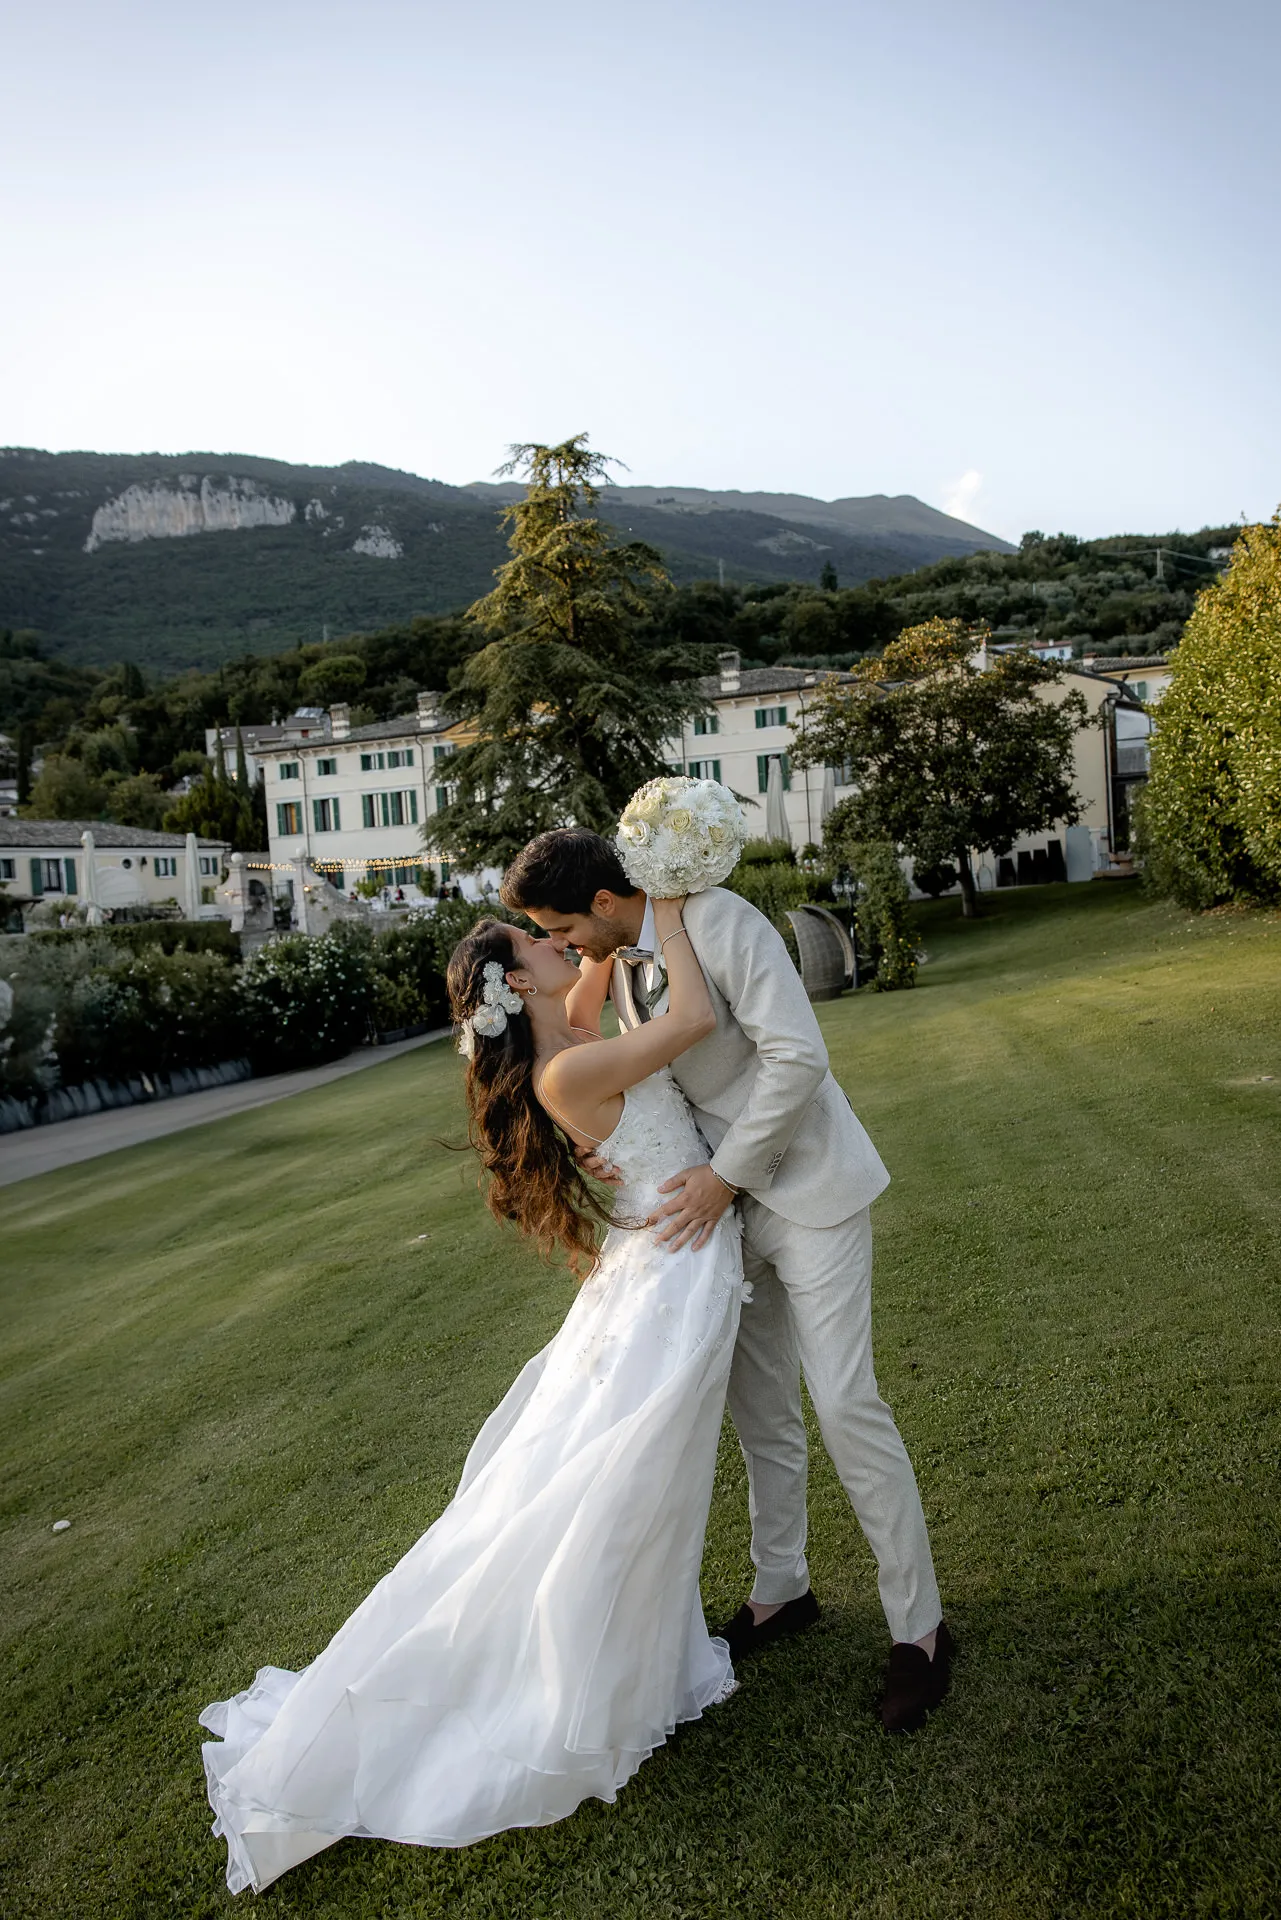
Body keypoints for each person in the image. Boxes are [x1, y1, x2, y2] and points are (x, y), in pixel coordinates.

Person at [199, 895, 746, 1894]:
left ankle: (637, 1662)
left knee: (635, 1486)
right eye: (535, 942)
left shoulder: (571, 1028)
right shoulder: (570, 1064)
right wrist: (669, 904)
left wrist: (602, 926)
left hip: (664, 1268)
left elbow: (590, 960)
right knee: (616, 1492)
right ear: (514, 983)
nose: (552, 941)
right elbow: (695, 1021)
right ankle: (581, 1687)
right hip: (669, 1279)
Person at [501, 829, 953, 1733]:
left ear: (598, 902)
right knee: (760, 1414)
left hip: (807, 1187)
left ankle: (921, 1630)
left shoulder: (720, 918)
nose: (565, 947)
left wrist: (724, 1175)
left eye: (561, 927)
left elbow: (796, 1056)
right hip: (723, 1223)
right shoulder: (627, 961)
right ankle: (782, 1589)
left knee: (844, 1404)